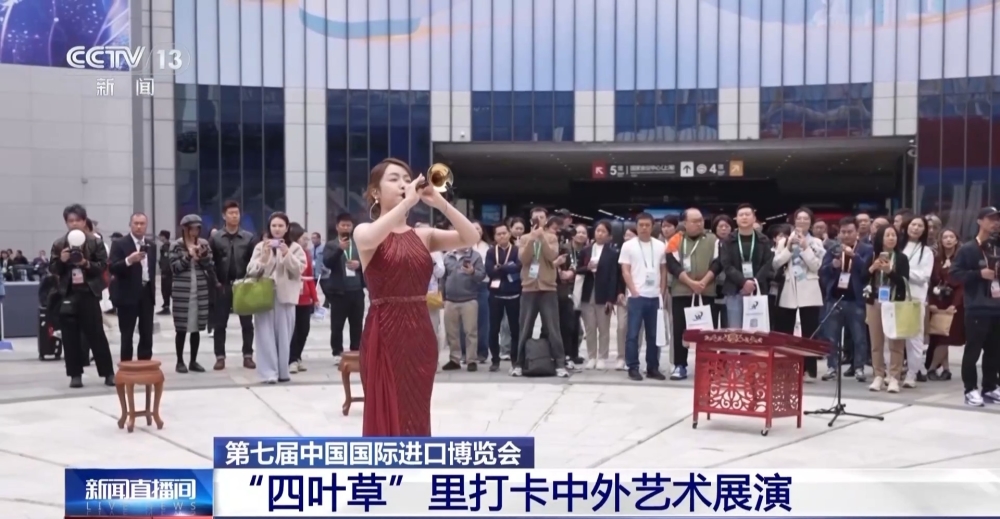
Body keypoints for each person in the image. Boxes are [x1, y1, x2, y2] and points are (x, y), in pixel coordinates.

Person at [353, 158, 479, 436]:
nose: (403, 184)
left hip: (420, 332)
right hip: (383, 333)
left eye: (406, 179)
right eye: (394, 179)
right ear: (375, 192)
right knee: (386, 407)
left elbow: (470, 237)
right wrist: (408, 202)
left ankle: (416, 456)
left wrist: (440, 203)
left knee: (416, 410)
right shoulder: (364, 231)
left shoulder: (424, 235)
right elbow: (370, 240)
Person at [50, 204, 115, 388]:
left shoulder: (95, 242)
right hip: (68, 293)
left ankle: (108, 373)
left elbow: (102, 267)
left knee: (96, 335)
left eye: (78, 220)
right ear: (66, 222)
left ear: (84, 221)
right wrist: (62, 261)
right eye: (71, 220)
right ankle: (75, 374)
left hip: (89, 292)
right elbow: (53, 269)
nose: (74, 223)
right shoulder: (59, 244)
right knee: (69, 337)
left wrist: (85, 263)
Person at [246, 212, 307, 384]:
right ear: (269, 228)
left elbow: (299, 270)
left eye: (281, 226)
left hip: (285, 297)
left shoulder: (295, 247)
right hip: (263, 296)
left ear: (287, 228)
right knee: (264, 335)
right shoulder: (261, 247)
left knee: (284, 336)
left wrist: (287, 254)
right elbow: (251, 270)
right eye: (274, 226)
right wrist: (263, 259)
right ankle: (268, 373)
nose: (277, 229)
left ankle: (282, 372)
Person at [950, 207, 1000, 407]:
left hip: (997, 306)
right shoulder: (968, 248)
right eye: (991, 219)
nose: (995, 223)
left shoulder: (997, 246)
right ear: (979, 221)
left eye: (997, 219)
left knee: (994, 350)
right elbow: (955, 274)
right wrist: (979, 274)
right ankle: (970, 389)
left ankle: (990, 386)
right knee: (973, 350)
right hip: (977, 306)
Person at [665, 208, 719, 381]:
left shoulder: (712, 239)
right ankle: (680, 365)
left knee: (706, 331)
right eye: (694, 221)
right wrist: (690, 283)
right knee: (680, 330)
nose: (699, 224)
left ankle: (707, 365)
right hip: (682, 292)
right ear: (685, 223)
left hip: (706, 291)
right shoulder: (676, 239)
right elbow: (672, 264)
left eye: (701, 220)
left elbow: (718, 263)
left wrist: (703, 282)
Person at [773, 208, 826, 381]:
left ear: (810, 222)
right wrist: (788, 247)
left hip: (809, 289)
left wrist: (805, 247)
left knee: (809, 331)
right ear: (794, 221)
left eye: (806, 219)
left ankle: (809, 370)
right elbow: (776, 263)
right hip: (789, 288)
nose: (802, 221)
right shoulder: (784, 241)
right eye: (799, 218)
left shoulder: (816, 242)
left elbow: (816, 266)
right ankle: (785, 367)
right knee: (785, 331)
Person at [513, 213, 569, 378]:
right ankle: (519, 363)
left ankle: (559, 363)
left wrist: (541, 238)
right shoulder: (524, 238)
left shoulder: (551, 237)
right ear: (531, 220)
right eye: (535, 217)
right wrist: (532, 238)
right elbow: (523, 259)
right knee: (525, 328)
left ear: (546, 220)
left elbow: (552, 256)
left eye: (542, 217)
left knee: (553, 328)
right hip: (529, 288)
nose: (539, 220)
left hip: (548, 288)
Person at [819, 217, 873, 382]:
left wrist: (854, 256)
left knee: (859, 337)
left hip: (855, 299)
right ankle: (832, 367)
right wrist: (832, 265)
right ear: (839, 233)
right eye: (843, 232)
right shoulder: (833, 249)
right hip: (834, 298)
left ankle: (859, 368)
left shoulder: (866, 249)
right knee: (831, 337)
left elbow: (867, 271)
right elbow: (822, 271)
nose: (846, 235)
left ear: (857, 232)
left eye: (850, 232)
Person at [209, 200, 258, 370]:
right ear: (224, 216)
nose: (234, 216)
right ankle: (220, 357)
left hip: (243, 285)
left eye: (236, 213)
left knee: (247, 324)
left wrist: (251, 281)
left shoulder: (248, 237)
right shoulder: (216, 238)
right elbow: (210, 262)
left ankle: (248, 356)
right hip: (222, 286)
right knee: (220, 324)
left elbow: (254, 261)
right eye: (231, 213)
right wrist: (216, 283)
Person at [619, 213, 668, 381]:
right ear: (636, 226)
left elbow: (663, 269)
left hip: (655, 296)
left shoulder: (660, 245)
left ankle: (653, 367)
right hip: (637, 296)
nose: (644, 228)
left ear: (653, 226)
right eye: (641, 225)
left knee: (653, 335)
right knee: (632, 334)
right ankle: (632, 367)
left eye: (647, 225)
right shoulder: (628, 246)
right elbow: (625, 270)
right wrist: (633, 290)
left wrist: (662, 291)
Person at [864, 225, 910, 393]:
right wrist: (872, 268)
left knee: (896, 342)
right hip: (875, 301)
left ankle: (894, 377)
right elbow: (862, 278)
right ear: (881, 238)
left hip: (894, 302)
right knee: (876, 342)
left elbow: (904, 282)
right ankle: (878, 375)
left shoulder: (902, 258)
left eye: (894, 235)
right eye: (887, 235)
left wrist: (890, 271)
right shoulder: (872, 256)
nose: (891, 238)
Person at [169, 215, 216, 373]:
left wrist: (202, 256)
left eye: (197, 228)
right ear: (185, 229)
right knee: (181, 327)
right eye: (192, 228)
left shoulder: (204, 243)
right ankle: (179, 361)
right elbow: (175, 268)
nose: (195, 231)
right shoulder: (176, 245)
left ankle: (193, 361)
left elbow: (210, 265)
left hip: (200, 288)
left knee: (196, 327)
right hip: (182, 289)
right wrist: (188, 256)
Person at [108, 212, 157, 362]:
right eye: (136, 223)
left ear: (146, 225)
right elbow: (112, 267)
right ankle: (126, 365)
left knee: (147, 333)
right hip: (127, 294)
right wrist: (129, 260)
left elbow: (151, 270)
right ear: (130, 225)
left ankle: (145, 363)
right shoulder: (119, 243)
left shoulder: (152, 245)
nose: (139, 226)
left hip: (146, 293)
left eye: (142, 224)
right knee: (127, 334)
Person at [720, 204, 774, 328]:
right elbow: (726, 265)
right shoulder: (728, 240)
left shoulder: (763, 240)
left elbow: (767, 263)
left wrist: (753, 283)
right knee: (735, 330)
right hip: (735, 290)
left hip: (758, 289)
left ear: (754, 218)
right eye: (741, 215)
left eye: (747, 214)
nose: (744, 217)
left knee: (757, 330)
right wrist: (743, 282)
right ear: (736, 219)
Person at [576, 220, 621, 370]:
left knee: (603, 328)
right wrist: (587, 268)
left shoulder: (613, 253)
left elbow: (614, 276)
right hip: (587, 292)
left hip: (604, 294)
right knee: (590, 328)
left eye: (603, 231)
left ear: (608, 235)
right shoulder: (586, 250)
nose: (600, 234)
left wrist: (611, 298)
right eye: (597, 231)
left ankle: (602, 356)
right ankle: (592, 356)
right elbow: (578, 269)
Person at [322, 213, 366, 363]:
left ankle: (356, 350)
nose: (346, 228)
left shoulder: (358, 244)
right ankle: (337, 352)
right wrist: (340, 249)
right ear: (337, 227)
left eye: (348, 225)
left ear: (352, 227)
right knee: (337, 324)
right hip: (339, 291)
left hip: (356, 290)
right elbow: (327, 262)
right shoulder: (331, 245)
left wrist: (359, 265)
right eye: (343, 225)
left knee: (357, 324)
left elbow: (368, 262)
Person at [900, 215, 934, 386]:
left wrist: (903, 271)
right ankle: (893, 371)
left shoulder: (926, 251)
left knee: (914, 337)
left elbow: (924, 276)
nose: (915, 228)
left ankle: (912, 373)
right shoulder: (898, 247)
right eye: (913, 224)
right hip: (895, 296)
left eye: (920, 226)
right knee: (893, 336)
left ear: (924, 230)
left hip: (914, 298)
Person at [926, 228, 962, 381]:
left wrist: (955, 304)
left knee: (945, 338)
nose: (948, 239)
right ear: (940, 240)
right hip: (938, 301)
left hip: (954, 302)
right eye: (945, 237)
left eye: (951, 237)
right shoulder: (935, 259)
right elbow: (930, 282)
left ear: (956, 240)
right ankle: (946, 369)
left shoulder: (961, 258)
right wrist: (931, 303)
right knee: (939, 335)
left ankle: (932, 368)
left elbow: (962, 285)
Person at [485, 223, 521, 372]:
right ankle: (495, 359)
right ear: (495, 237)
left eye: (504, 233)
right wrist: (507, 268)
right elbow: (490, 271)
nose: (502, 236)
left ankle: (515, 359)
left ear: (509, 234)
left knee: (515, 329)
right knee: (494, 329)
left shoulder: (517, 250)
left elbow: (518, 267)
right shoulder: (491, 252)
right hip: (496, 295)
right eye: (498, 234)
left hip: (514, 294)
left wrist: (501, 267)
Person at [289, 223, 320, 374]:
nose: (306, 241)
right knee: (292, 331)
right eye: (303, 238)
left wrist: (315, 298)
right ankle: (292, 359)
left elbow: (310, 278)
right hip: (291, 297)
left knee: (304, 329)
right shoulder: (288, 252)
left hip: (305, 297)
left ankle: (297, 356)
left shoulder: (307, 253)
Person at [157, 230, 172, 314]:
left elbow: (166, 260)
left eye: (160, 236)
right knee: (167, 289)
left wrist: (164, 270)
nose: (159, 237)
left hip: (167, 272)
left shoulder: (166, 247)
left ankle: (166, 307)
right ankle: (166, 305)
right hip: (167, 271)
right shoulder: (167, 246)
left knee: (166, 289)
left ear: (164, 237)